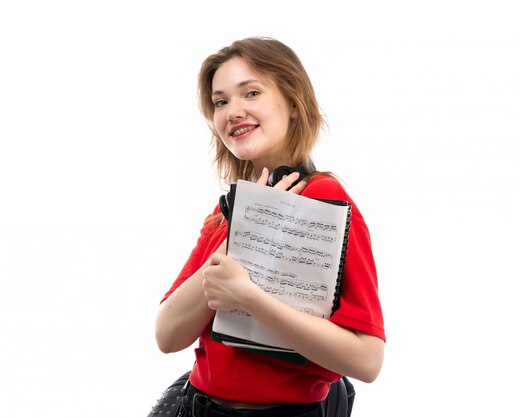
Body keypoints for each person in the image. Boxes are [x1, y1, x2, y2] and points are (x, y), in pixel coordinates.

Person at [153, 37, 385, 417]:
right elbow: (167, 334)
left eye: (252, 93)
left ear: (293, 103)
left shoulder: (326, 198)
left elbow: (367, 360)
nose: (233, 111)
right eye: (221, 101)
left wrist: (248, 297)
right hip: (200, 406)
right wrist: (244, 231)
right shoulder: (225, 214)